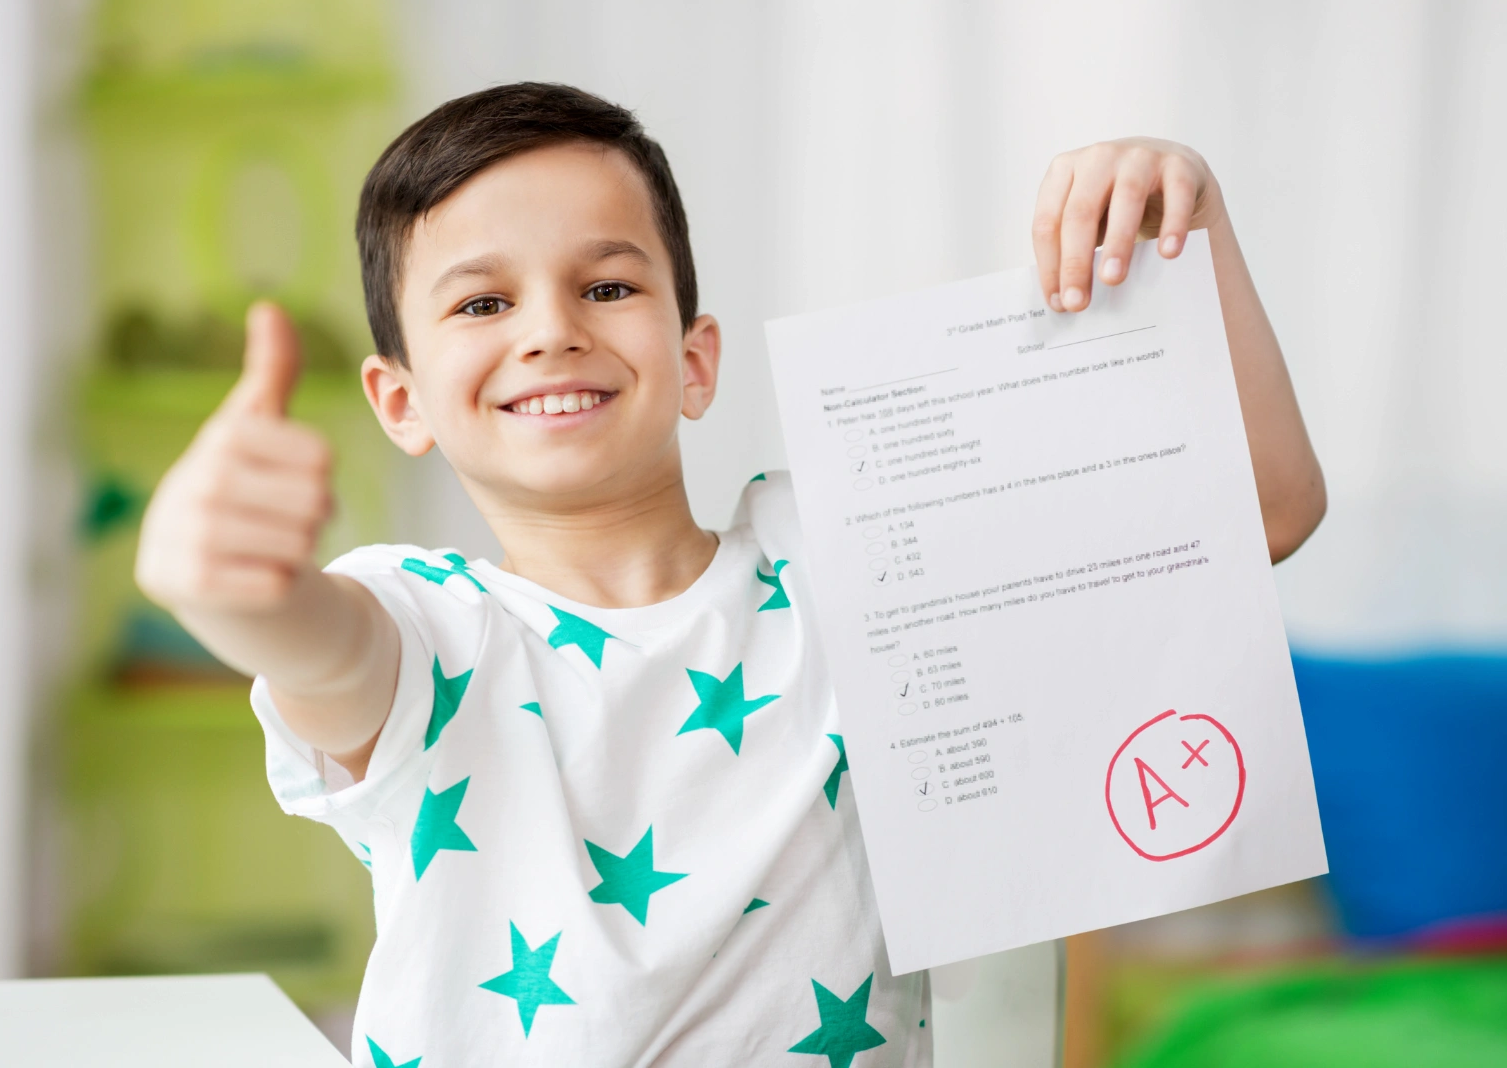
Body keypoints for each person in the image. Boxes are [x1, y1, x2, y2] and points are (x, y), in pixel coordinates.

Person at [134, 82, 1325, 1066]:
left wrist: (1192, 225)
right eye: (484, 301)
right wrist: (229, 588)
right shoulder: (427, 625)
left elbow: (1267, 510)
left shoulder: (854, 547)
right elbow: (315, 643)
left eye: (608, 286)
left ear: (695, 361)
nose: (550, 329)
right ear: (400, 402)